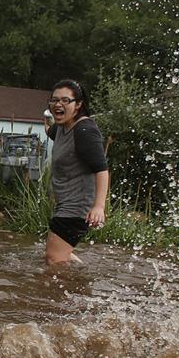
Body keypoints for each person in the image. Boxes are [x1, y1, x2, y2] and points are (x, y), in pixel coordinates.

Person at [43, 79, 110, 265]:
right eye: (54, 100)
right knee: (57, 255)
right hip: (65, 204)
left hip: (78, 207)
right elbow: (51, 131)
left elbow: (102, 170)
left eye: (65, 100)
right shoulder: (61, 128)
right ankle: (81, 276)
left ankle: (74, 289)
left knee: (53, 259)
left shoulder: (85, 130)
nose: (58, 104)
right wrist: (46, 123)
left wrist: (99, 207)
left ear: (78, 104)